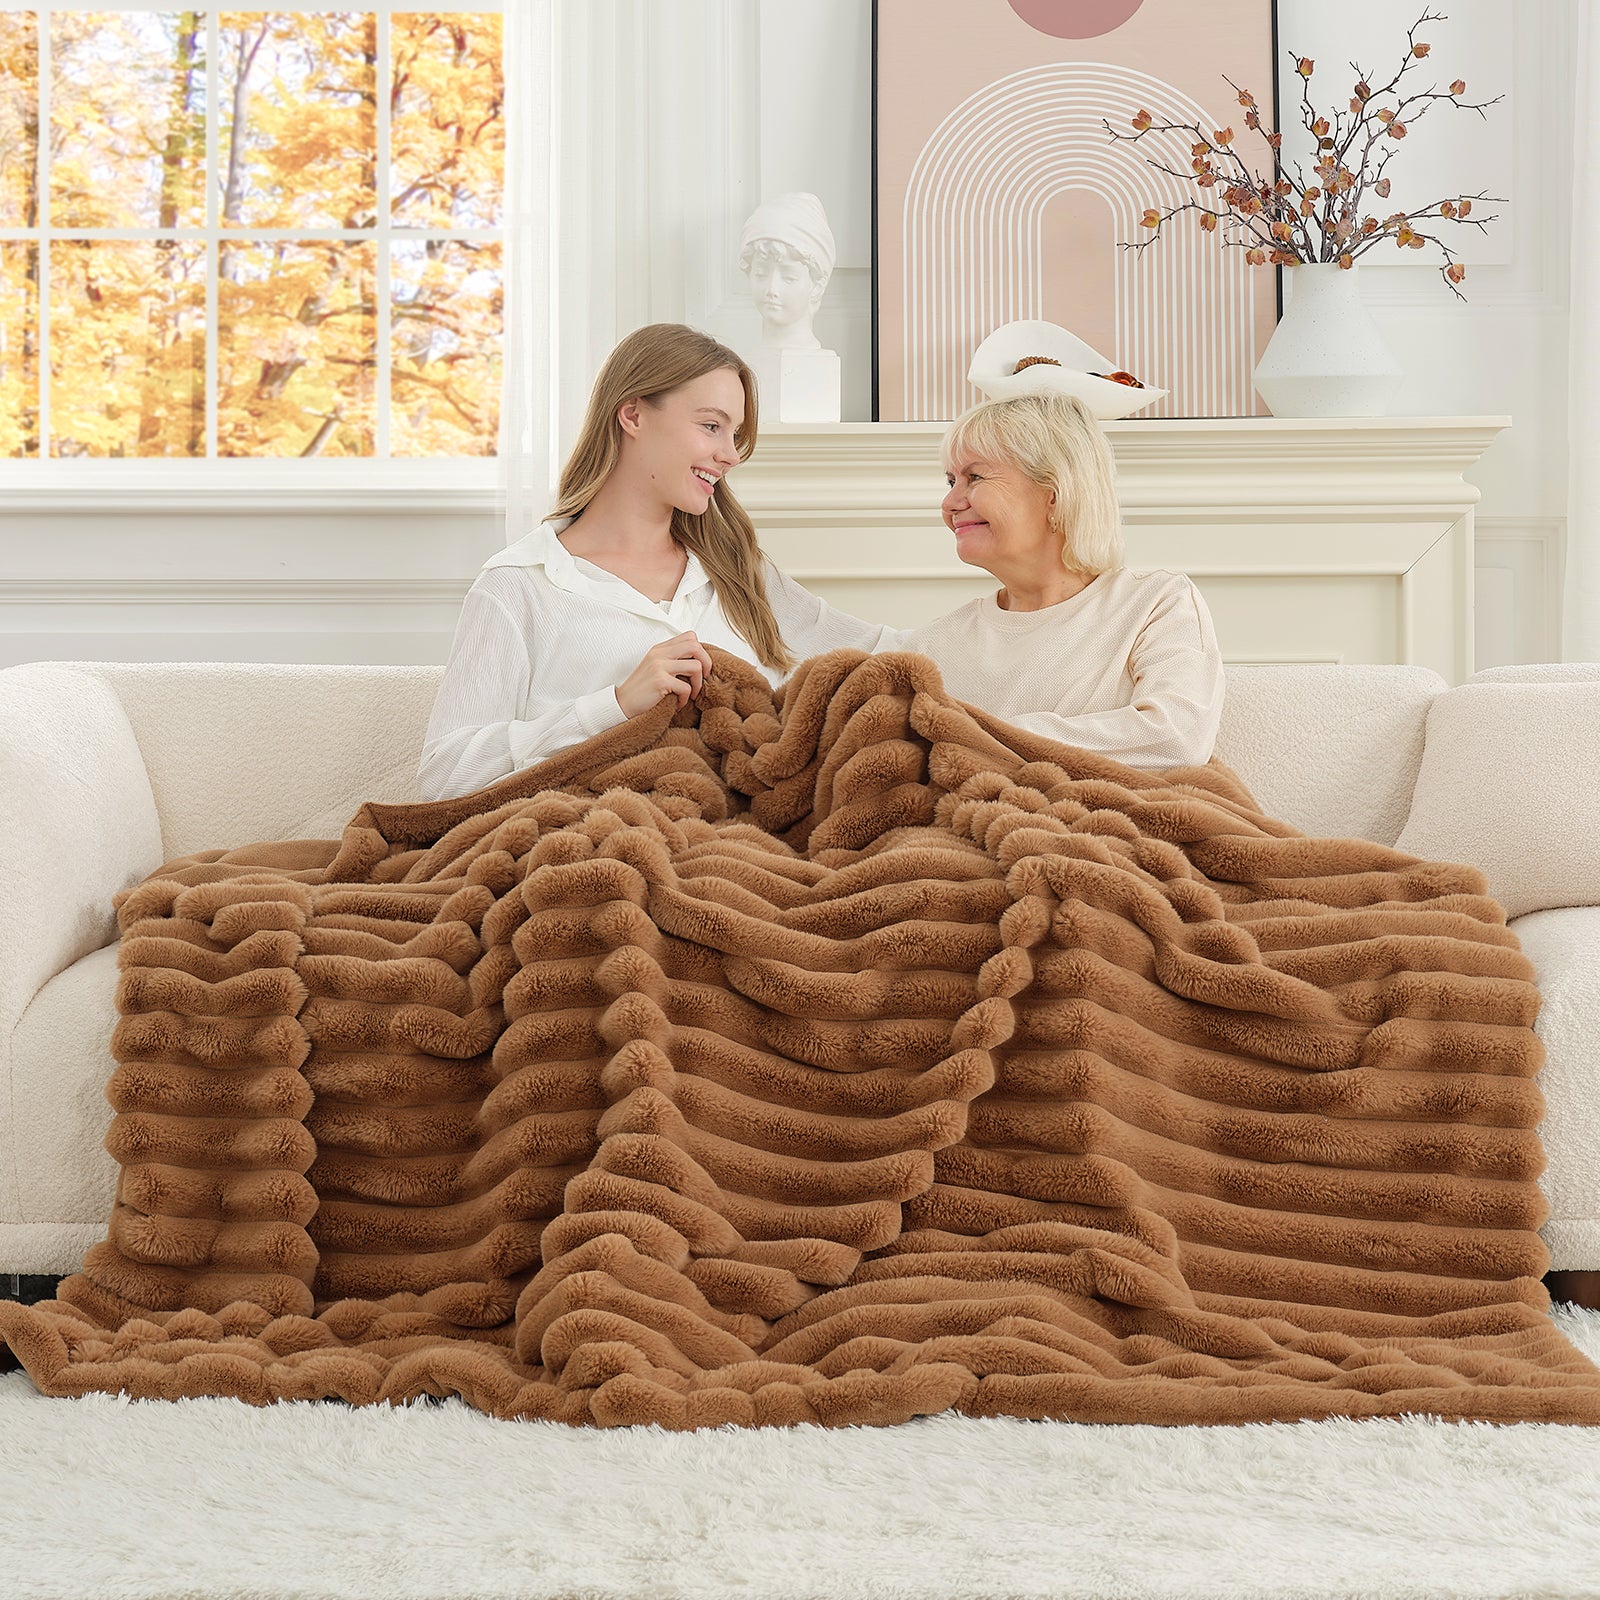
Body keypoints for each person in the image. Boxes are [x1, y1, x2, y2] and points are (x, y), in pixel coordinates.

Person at [418, 323, 897, 801]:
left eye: (734, 433)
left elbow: (888, 656)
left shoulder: (739, 573)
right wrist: (615, 706)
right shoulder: (520, 586)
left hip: (746, 853)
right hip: (599, 851)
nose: (730, 454)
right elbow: (444, 777)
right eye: (712, 425)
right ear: (632, 415)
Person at [900, 389, 1224, 768]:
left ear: (1053, 494)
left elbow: (1177, 738)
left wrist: (977, 739)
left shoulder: (1155, 603)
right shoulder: (936, 644)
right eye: (950, 481)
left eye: (974, 477)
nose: (951, 503)